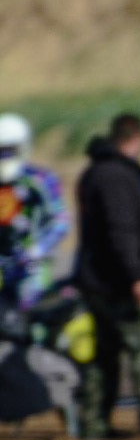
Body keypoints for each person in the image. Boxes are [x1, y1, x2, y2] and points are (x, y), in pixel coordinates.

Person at [74, 113, 140, 439]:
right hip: (116, 282)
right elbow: (121, 230)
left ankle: (94, 423)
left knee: (104, 355)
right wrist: (138, 275)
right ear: (137, 138)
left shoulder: (94, 171)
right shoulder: (116, 176)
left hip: (95, 280)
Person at [0, 113, 66, 309]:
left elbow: (60, 219)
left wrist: (38, 249)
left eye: (10, 150)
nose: (5, 156)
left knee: (32, 318)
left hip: (32, 271)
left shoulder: (39, 179)